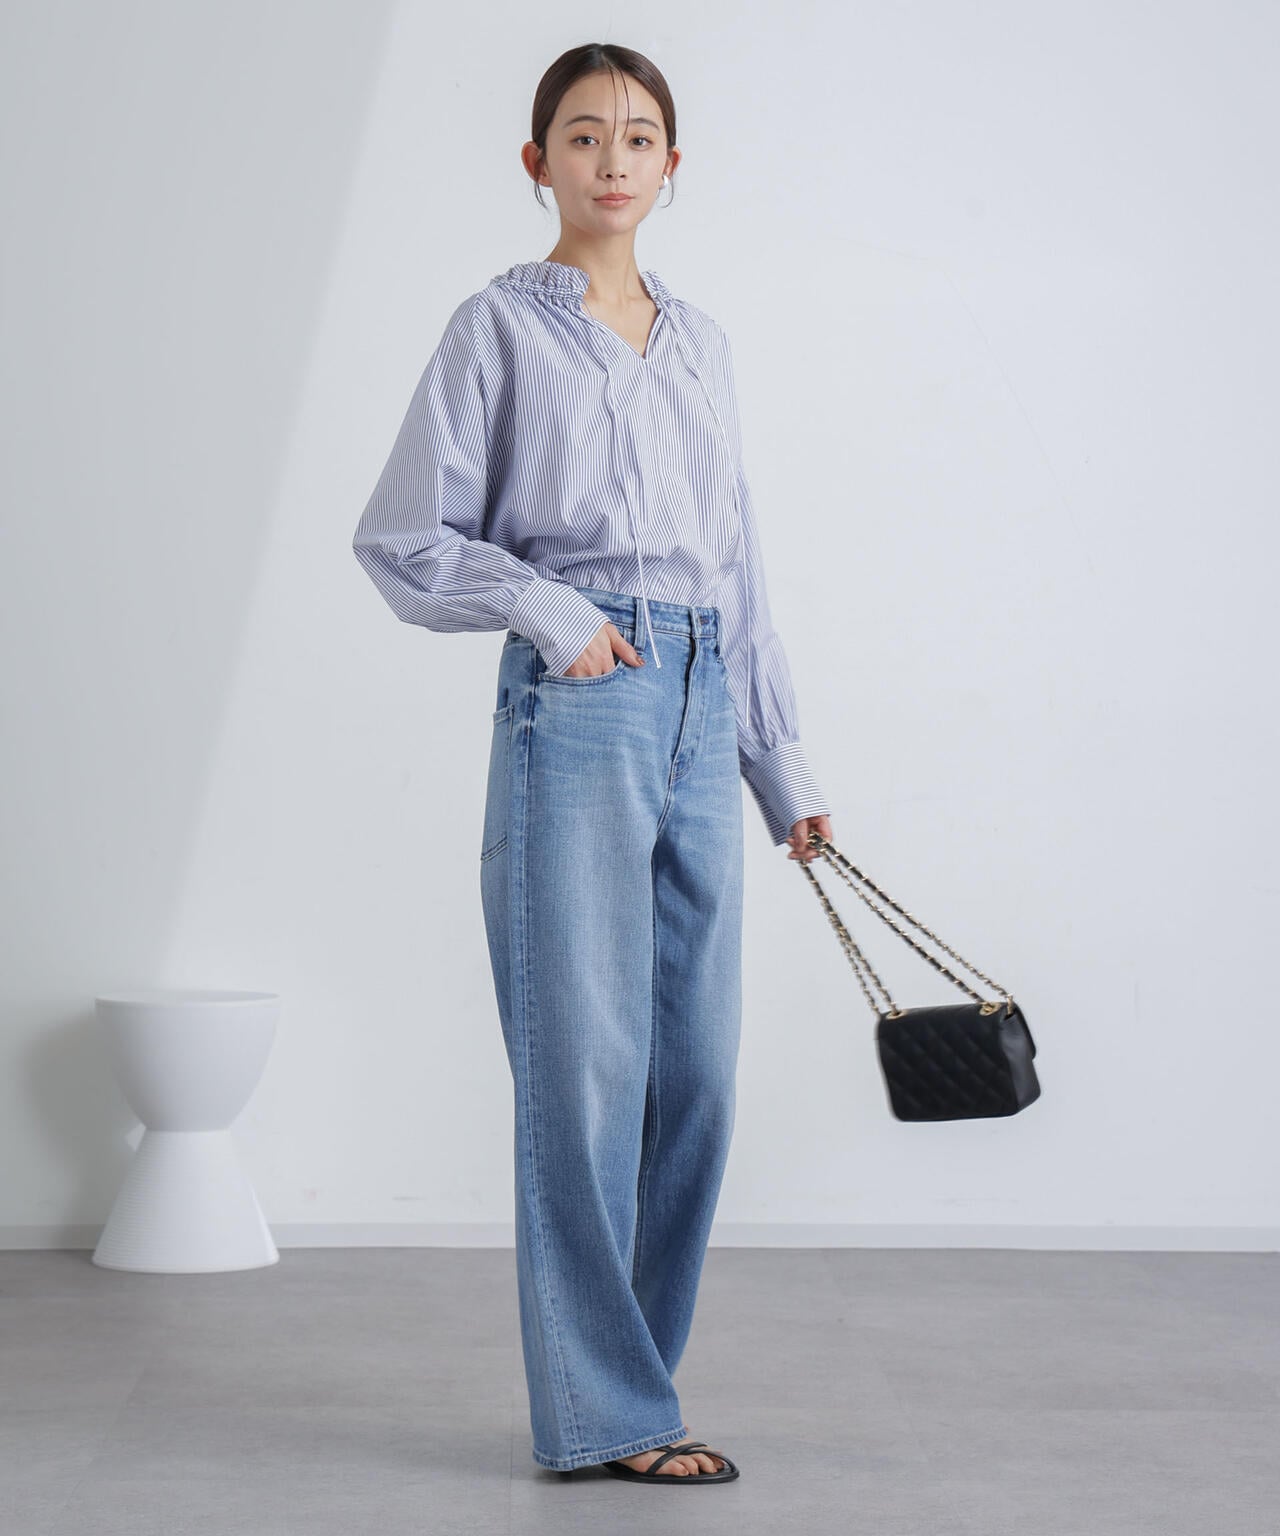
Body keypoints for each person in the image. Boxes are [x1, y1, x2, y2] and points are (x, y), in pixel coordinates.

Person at [352, 43, 834, 1484]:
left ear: (672, 167)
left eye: (637, 136)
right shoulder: (495, 330)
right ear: (538, 163)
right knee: (586, 1067)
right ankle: (612, 1416)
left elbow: (739, 572)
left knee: (696, 1074)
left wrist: (782, 765)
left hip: (702, 684)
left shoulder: (706, 346)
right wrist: (555, 616)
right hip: (581, 699)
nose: (612, 158)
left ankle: (639, 1388)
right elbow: (403, 535)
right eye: (582, 134)